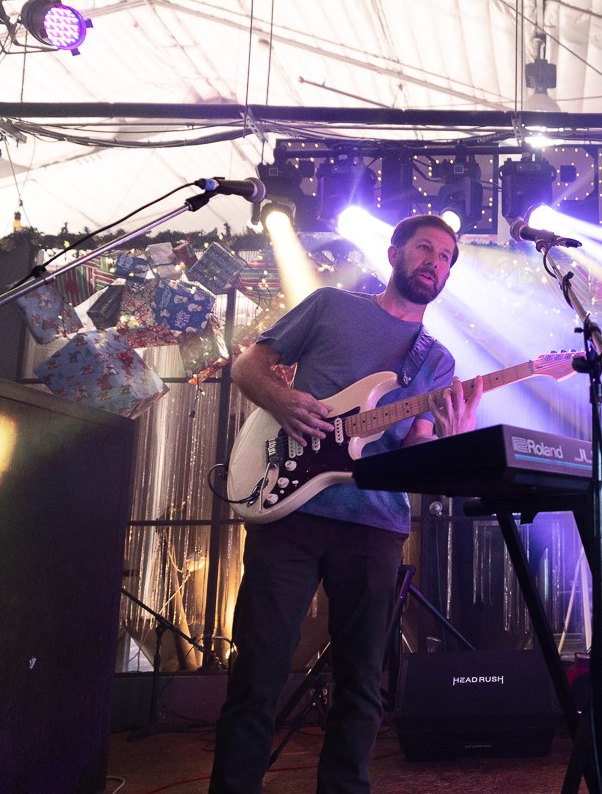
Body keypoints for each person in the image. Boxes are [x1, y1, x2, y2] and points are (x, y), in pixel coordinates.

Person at [208, 214, 483, 794]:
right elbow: (249, 366)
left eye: (446, 257)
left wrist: (453, 439)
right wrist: (283, 401)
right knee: (258, 668)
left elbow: (414, 451)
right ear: (394, 253)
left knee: (361, 681)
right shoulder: (331, 305)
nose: (435, 262)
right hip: (290, 510)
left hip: (375, 523)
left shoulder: (436, 360)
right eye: (425, 248)